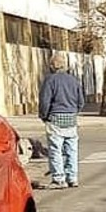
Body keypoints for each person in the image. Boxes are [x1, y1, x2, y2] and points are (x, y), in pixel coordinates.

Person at [38, 52, 85, 189]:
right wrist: (74, 111)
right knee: (71, 149)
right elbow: (81, 101)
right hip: (71, 118)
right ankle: (73, 177)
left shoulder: (50, 80)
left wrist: (43, 116)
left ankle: (59, 178)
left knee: (55, 149)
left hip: (55, 118)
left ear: (52, 66)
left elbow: (45, 101)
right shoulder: (73, 80)